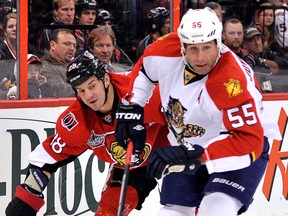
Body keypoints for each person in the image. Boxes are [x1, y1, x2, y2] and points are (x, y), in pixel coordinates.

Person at [115, 7, 281, 216]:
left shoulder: (232, 82)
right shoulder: (165, 49)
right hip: (188, 144)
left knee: (216, 209)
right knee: (170, 213)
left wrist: (199, 155)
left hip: (236, 145)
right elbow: (145, 71)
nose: (200, 57)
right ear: (182, 46)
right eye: (193, 49)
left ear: (218, 45)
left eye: (206, 48)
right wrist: (133, 106)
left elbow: (249, 140)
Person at [5, 50, 169, 216]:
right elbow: (46, 159)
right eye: (81, 91)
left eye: (92, 86)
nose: (88, 96)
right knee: (109, 209)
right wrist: (27, 197)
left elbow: (188, 114)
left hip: (176, 152)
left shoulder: (144, 92)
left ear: (105, 79)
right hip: (133, 166)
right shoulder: (79, 120)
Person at [40, 28, 76, 97]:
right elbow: (63, 92)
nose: (72, 48)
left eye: (74, 45)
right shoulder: (44, 68)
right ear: (53, 45)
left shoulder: (73, 66)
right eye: (67, 44)